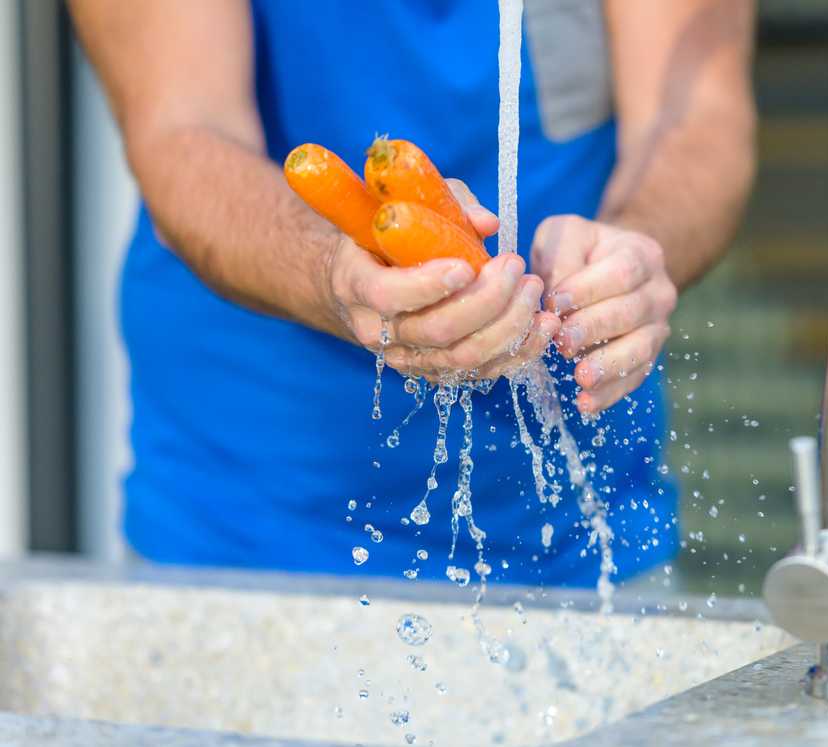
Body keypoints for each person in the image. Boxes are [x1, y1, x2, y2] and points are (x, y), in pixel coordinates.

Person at [69, 0, 756, 587]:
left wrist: (631, 252)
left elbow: (695, 109)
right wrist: (333, 275)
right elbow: (182, 128)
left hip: (587, 540)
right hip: (247, 528)